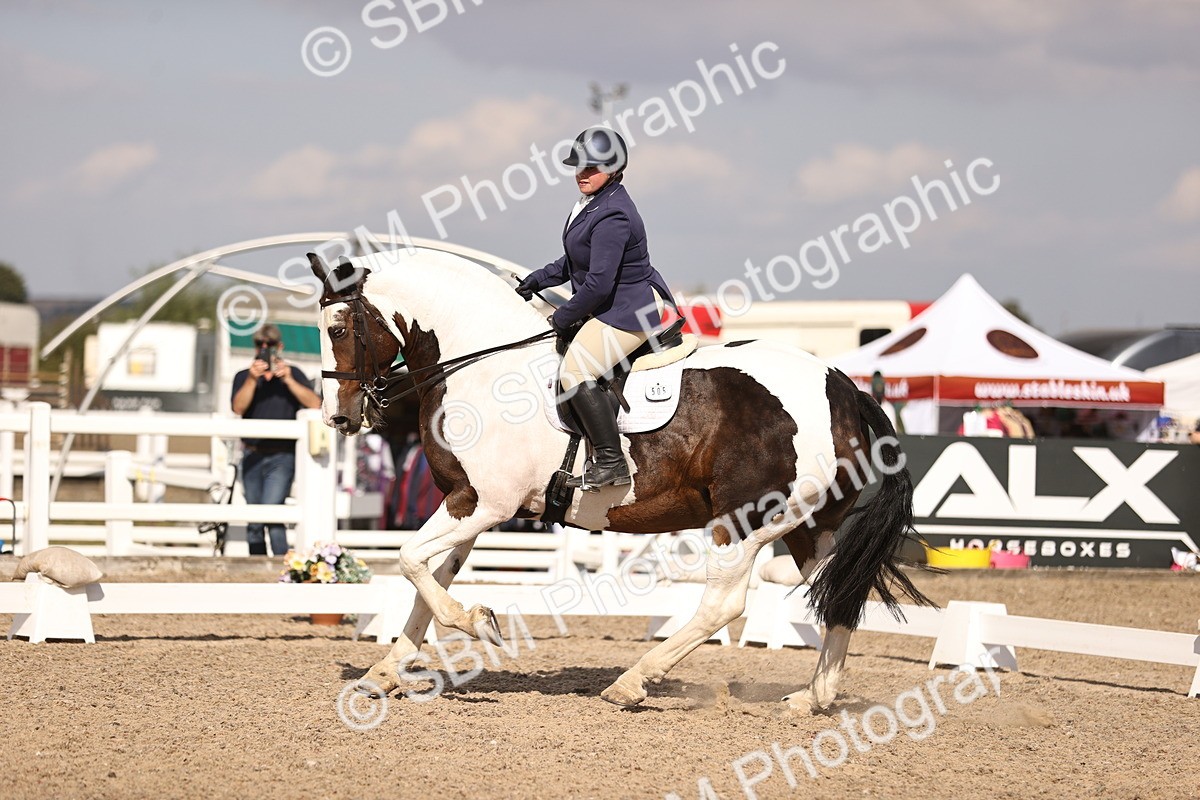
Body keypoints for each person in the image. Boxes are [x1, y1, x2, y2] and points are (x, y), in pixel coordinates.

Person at [515, 127, 675, 490]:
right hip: (608, 303)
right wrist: (537, 279)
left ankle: (610, 461)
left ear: (615, 169)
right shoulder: (592, 203)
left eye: (593, 167)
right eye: (578, 166)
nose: (582, 173)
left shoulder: (614, 213)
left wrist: (561, 316)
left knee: (575, 373)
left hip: (627, 311)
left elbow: (599, 283)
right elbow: (576, 259)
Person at [230, 324, 321, 555]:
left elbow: (316, 404)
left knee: (273, 514)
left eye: (268, 345)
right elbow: (238, 407)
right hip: (252, 454)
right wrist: (252, 379)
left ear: (279, 347)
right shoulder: (243, 376)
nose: (263, 349)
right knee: (254, 521)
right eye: (259, 345)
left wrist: (289, 380)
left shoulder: (294, 373)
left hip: (282, 456)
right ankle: (257, 569)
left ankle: (283, 567)